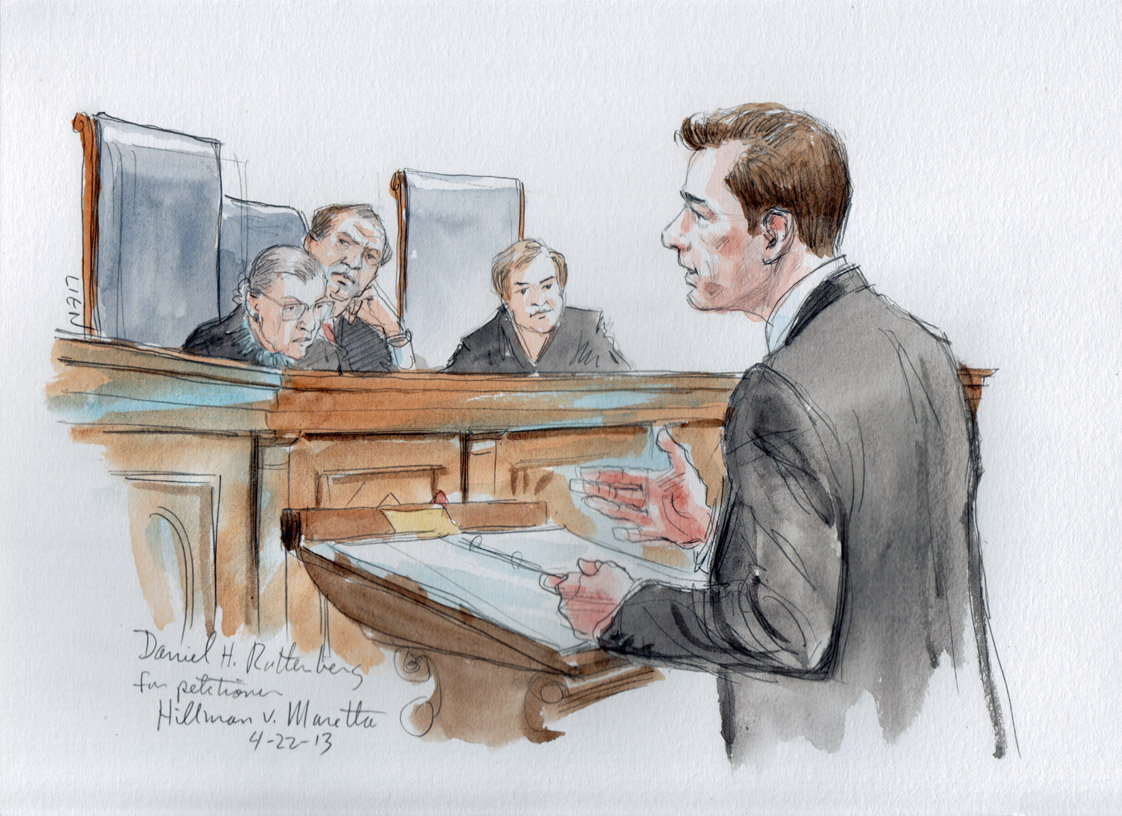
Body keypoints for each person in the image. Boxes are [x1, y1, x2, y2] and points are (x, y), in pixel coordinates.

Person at [547, 104, 1011, 762]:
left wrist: (627, 610)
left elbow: (788, 628)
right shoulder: (924, 349)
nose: (673, 236)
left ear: (773, 234)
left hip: (817, 761)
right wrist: (715, 532)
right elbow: (867, 551)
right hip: (933, 749)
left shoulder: (775, 393)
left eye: (700, 215)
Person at [444, 238, 629, 373]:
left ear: (561, 287)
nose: (539, 300)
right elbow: (443, 396)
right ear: (506, 301)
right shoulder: (479, 345)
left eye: (547, 286)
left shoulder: (587, 330)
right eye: (524, 290)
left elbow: (626, 386)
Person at [184, 245, 338, 369]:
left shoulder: (325, 357)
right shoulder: (206, 350)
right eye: (291, 308)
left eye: (318, 307)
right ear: (254, 303)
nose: (310, 324)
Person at [303, 203, 414, 371]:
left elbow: (408, 385)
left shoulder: (367, 335)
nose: (354, 263)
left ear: (373, 277)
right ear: (311, 244)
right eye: (343, 242)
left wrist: (393, 331)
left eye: (370, 256)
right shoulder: (276, 312)